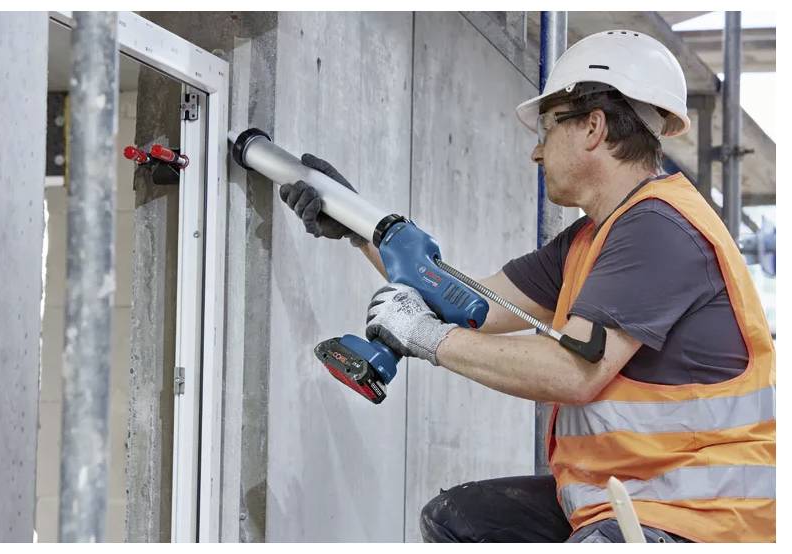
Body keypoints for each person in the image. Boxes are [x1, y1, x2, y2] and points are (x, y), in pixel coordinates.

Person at [277, 30, 775, 543]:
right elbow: (471, 306)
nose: (536, 152)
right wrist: (360, 226)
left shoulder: (659, 230)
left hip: (703, 515)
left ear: (592, 127)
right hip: (630, 492)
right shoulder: (592, 237)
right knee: (458, 520)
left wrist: (426, 337)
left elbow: (574, 372)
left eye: (547, 129)